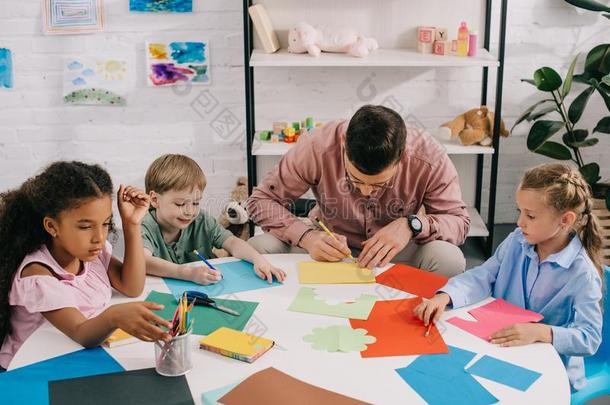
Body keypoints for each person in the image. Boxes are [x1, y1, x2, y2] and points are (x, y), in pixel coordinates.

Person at [414, 163, 604, 391]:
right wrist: (445, 297)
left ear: (565, 220)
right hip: (501, 347)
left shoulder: (582, 273)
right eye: (519, 212)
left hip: (547, 367)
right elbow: (484, 274)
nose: (519, 223)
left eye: (530, 216)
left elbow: (590, 338)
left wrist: (541, 332)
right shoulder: (517, 240)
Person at [248, 104, 470, 277]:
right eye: (355, 180)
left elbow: (459, 223)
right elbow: (259, 201)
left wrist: (412, 225)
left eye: (377, 184)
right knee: (258, 247)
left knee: (449, 259)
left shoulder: (429, 156)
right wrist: (307, 237)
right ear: (344, 143)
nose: (364, 192)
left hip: (397, 250)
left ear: (402, 156)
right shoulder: (317, 146)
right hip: (328, 246)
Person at [0, 161, 172, 371]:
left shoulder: (90, 255)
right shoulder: (39, 274)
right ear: (52, 226)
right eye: (85, 226)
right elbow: (81, 332)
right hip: (31, 368)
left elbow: (132, 286)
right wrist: (115, 316)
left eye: (106, 223)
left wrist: (131, 224)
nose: (99, 237)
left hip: (71, 354)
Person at [141, 154, 286, 284]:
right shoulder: (144, 226)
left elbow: (232, 242)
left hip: (211, 289)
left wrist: (258, 260)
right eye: (180, 204)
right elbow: (143, 261)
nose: (190, 211)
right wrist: (187, 273)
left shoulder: (202, 219)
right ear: (154, 200)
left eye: (196, 203)